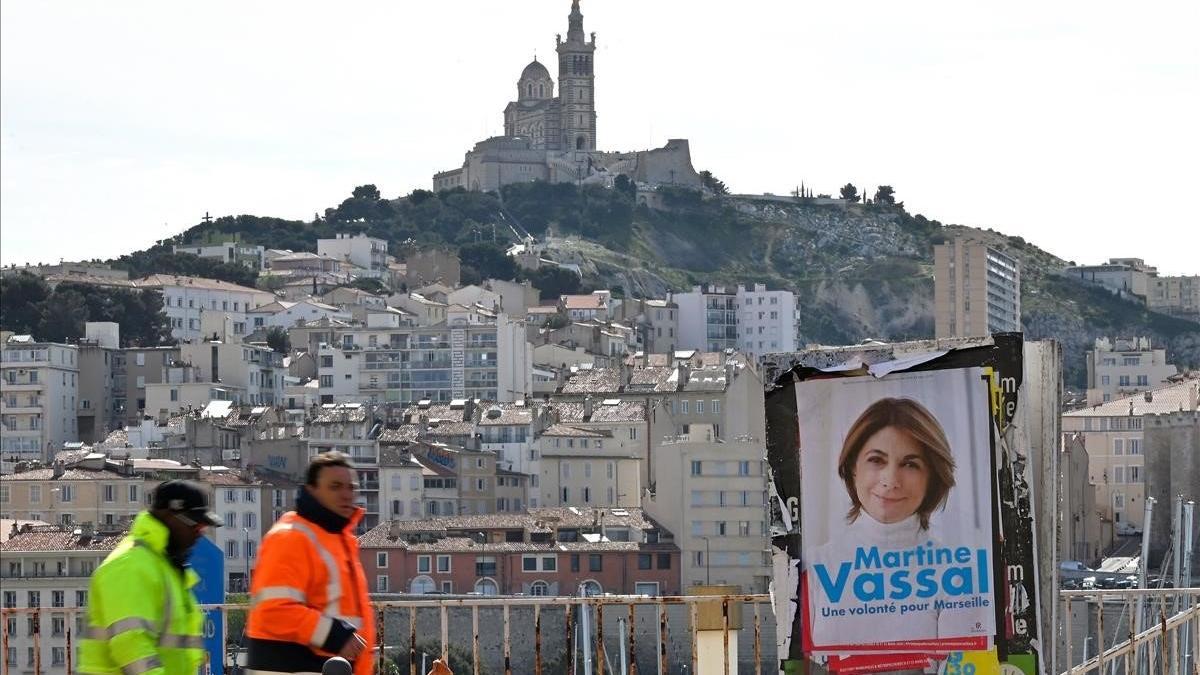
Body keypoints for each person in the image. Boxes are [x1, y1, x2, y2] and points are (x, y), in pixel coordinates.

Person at [806, 397, 991, 646]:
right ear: (853, 467)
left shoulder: (959, 575)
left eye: (910, 464)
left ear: (932, 478)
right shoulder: (815, 567)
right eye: (876, 460)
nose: (891, 480)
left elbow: (964, 661)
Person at [246, 452, 376, 675]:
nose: (346, 495)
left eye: (351, 487)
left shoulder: (338, 540)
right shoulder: (291, 537)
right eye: (335, 487)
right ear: (312, 490)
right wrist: (334, 635)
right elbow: (273, 611)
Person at [79, 479, 222, 675]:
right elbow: (132, 647)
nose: (199, 535)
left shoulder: (163, 566)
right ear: (169, 515)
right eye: (195, 526)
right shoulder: (131, 565)